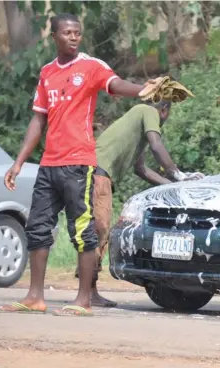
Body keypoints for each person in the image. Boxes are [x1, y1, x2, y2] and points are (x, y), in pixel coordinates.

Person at [0, 12, 154, 316]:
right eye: (67, 33)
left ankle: (83, 299)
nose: (73, 37)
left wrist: (142, 89)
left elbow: (116, 84)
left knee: (82, 230)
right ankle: (35, 297)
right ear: (54, 36)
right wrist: (18, 163)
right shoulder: (46, 73)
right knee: (37, 227)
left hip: (78, 164)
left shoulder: (91, 66)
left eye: (77, 33)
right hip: (49, 164)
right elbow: (37, 119)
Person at [78, 100, 204, 307]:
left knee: (95, 231)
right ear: (164, 110)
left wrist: (173, 185)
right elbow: (156, 145)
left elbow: (142, 169)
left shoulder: (136, 125)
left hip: (94, 173)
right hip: (97, 174)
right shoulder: (147, 111)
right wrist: (179, 175)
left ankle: (89, 290)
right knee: (99, 231)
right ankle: (89, 291)